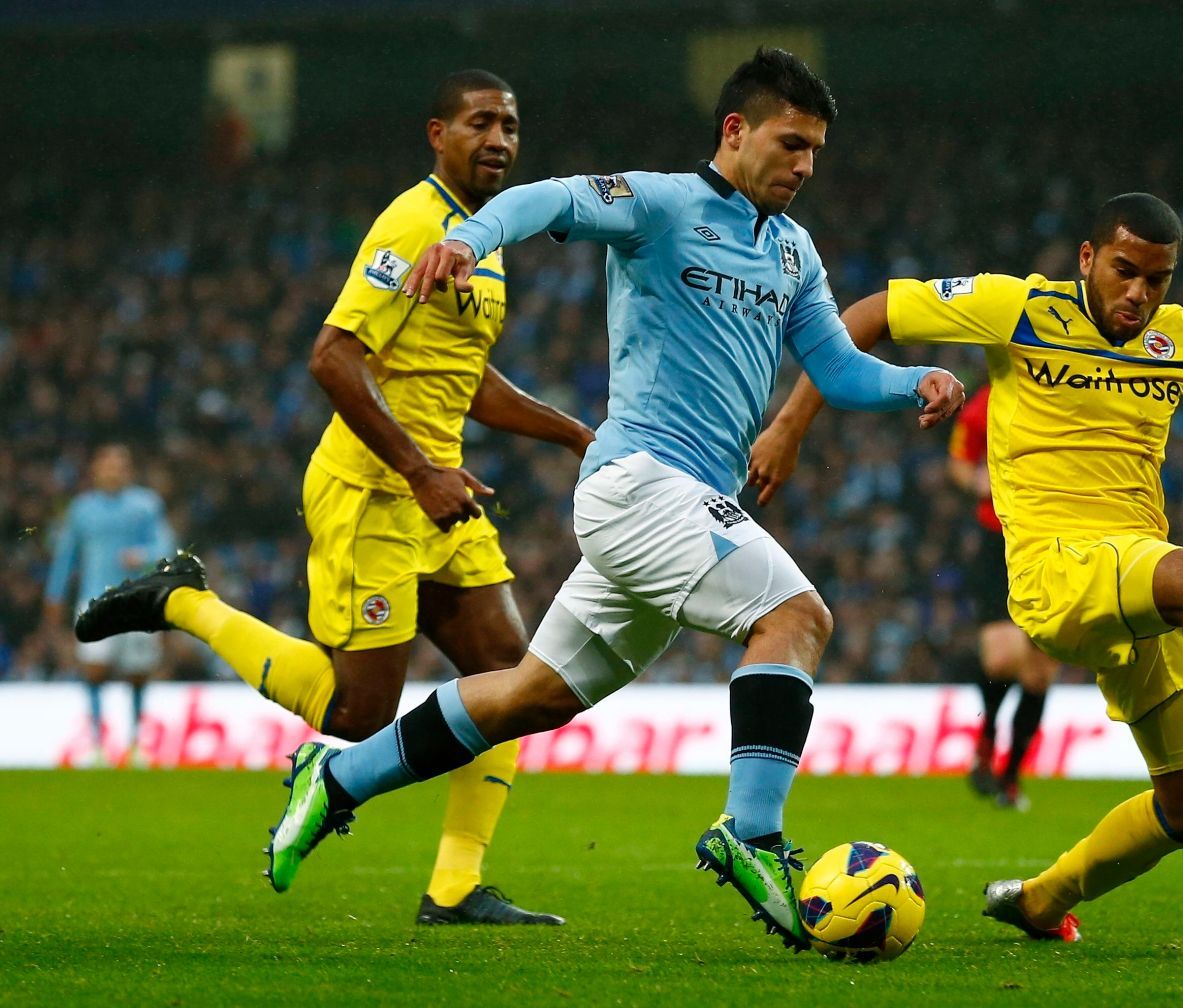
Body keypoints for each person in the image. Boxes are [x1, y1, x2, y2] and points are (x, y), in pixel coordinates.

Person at [254, 48, 963, 953]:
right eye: (791, 144)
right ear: (736, 132)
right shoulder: (662, 204)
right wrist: (469, 239)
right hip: (639, 486)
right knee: (795, 618)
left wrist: (915, 384)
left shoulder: (792, 249)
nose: (805, 167)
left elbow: (838, 370)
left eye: (816, 151)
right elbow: (545, 199)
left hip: (682, 498)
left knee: (530, 697)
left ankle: (340, 777)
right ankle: (752, 837)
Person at [752, 192, 1183, 942]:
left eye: (1158, 279)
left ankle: (1043, 899)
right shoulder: (1015, 308)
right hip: (1056, 572)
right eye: (1124, 271)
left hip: (1131, 579)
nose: (1139, 293)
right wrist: (790, 426)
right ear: (1087, 259)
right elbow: (871, 313)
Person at [75, 69, 592, 927]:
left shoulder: (484, 239)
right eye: (479, 123)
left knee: (513, 683)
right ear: (438, 134)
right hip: (375, 490)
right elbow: (332, 356)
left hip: (441, 492)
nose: (498, 138)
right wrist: (421, 472)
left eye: (509, 124)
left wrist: (572, 432)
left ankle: (457, 889)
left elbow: (466, 380)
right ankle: (182, 601)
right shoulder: (412, 222)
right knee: (359, 714)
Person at [751, 381, 1058, 809]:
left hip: (1055, 546)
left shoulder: (1068, 401)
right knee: (1002, 659)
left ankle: (1009, 777)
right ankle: (988, 738)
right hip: (998, 543)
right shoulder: (986, 404)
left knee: (1039, 673)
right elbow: (959, 464)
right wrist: (977, 481)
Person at [43, 444, 174, 767]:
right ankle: (99, 744)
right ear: (96, 470)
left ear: (128, 470)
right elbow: (66, 556)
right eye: (108, 464)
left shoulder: (146, 505)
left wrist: (142, 556)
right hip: (94, 601)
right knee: (95, 670)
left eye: (120, 464)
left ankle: (136, 744)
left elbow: (165, 544)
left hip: (138, 602)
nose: (114, 470)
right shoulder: (81, 509)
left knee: (138, 674)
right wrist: (54, 595)